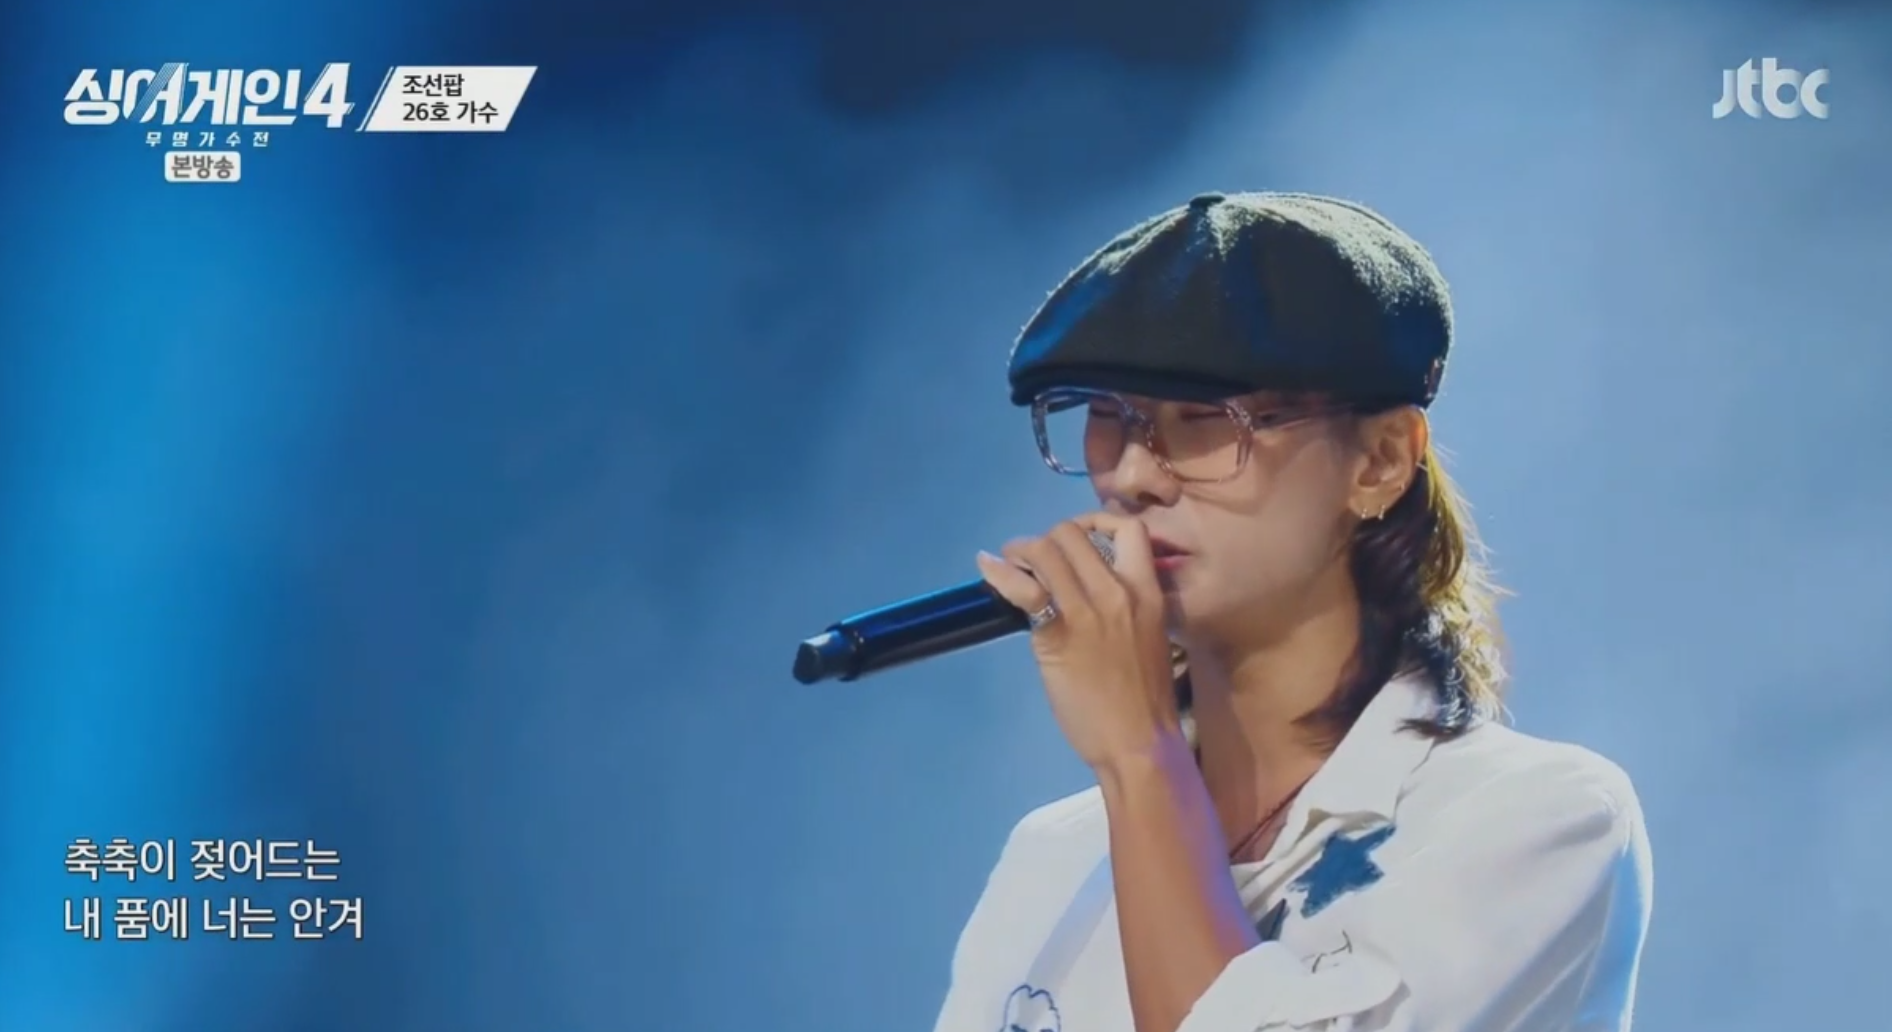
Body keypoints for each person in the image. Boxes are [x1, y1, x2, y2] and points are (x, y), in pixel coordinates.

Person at [931, 192, 1652, 1032]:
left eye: (1206, 420)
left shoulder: (1532, 819)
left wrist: (1138, 754)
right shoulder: (1055, 857)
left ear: (1380, 461)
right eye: (1106, 418)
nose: (1130, 475)